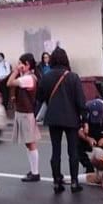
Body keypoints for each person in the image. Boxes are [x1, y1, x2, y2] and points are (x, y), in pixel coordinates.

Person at [36, 47, 86, 194]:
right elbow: (80, 101)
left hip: (53, 118)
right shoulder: (73, 77)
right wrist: (84, 119)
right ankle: (75, 183)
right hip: (71, 118)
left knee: (55, 151)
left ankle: (57, 182)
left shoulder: (46, 77)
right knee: (73, 151)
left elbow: (40, 98)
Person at [7, 53, 41, 182]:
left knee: (31, 143)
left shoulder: (28, 78)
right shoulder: (26, 77)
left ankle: (35, 172)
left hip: (26, 114)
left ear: (27, 64)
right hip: (23, 113)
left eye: (21, 63)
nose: (18, 65)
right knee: (28, 143)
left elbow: (10, 83)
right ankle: (33, 170)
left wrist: (15, 71)